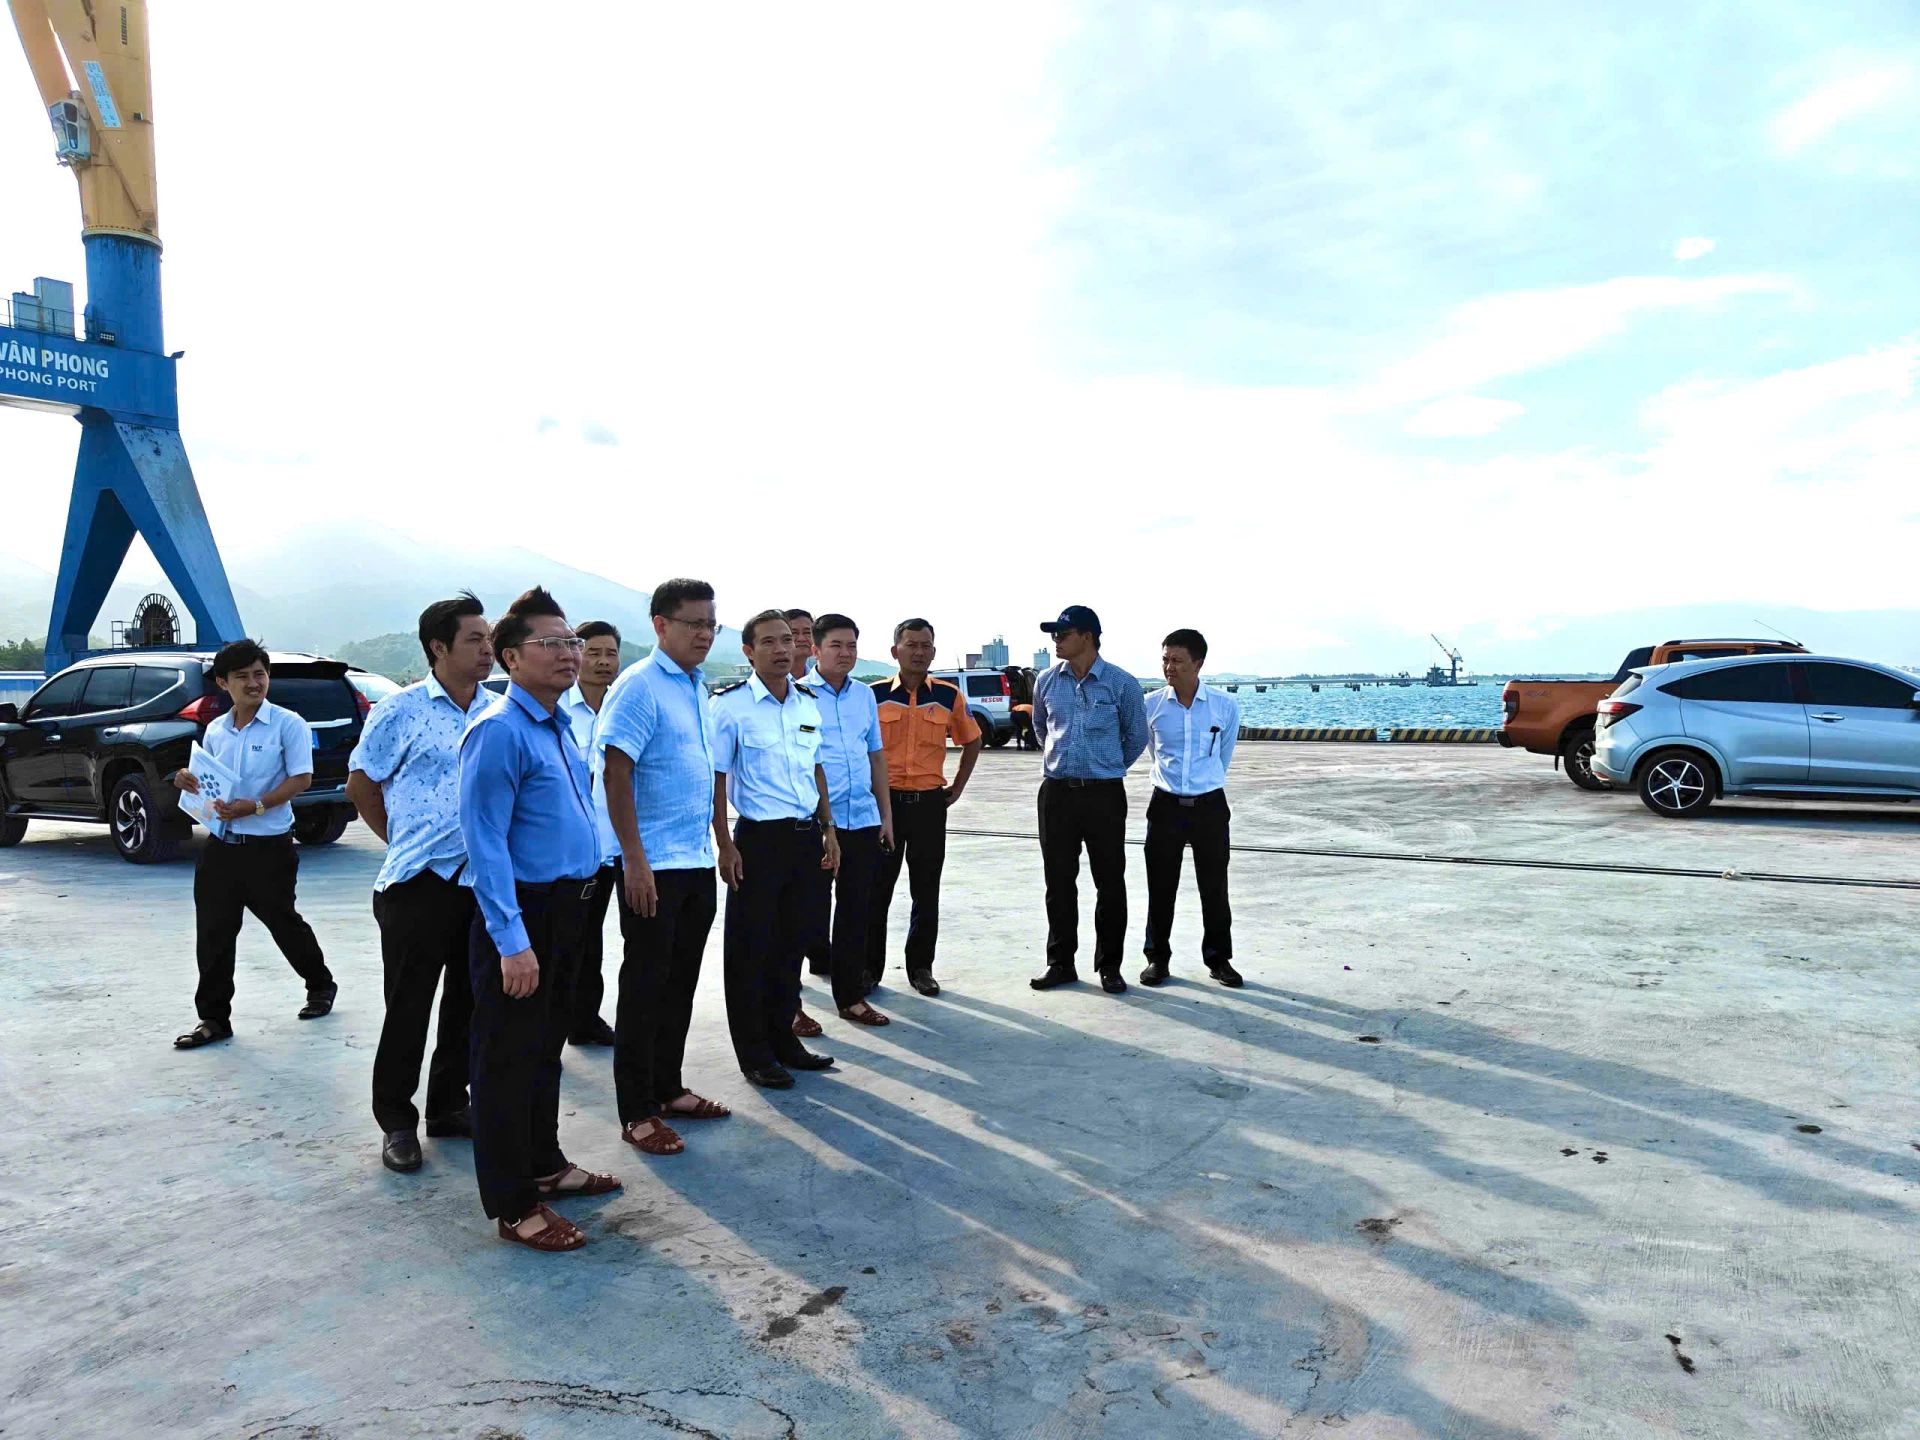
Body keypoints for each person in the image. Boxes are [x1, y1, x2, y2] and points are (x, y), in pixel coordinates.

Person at [460, 587, 621, 1252]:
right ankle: (514, 1203)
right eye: (550, 643)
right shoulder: (498, 730)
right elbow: (484, 843)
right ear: (510, 657)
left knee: (544, 1051)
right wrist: (511, 941)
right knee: (504, 1063)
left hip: (568, 910)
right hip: (524, 915)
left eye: (571, 641)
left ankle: (545, 1164)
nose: (569, 653)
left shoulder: (558, 724)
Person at [346, 593, 494, 1173]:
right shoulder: (400, 711)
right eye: (474, 639)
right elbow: (362, 785)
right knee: (408, 1007)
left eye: (489, 639)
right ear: (438, 647)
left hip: (481, 883)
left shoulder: (498, 710)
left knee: (468, 1003)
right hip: (416, 883)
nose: (487, 649)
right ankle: (396, 1121)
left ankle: (449, 1105)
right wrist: (402, 842)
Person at [595, 579, 733, 1159]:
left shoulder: (697, 687)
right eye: (693, 623)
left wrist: (721, 843)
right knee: (645, 987)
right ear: (660, 624)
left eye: (711, 625)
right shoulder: (639, 686)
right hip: (653, 865)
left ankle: (668, 1089)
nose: (704, 634)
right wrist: (633, 860)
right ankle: (637, 1110)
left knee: (679, 985)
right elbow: (616, 774)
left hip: (695, 860)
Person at [170, 639, 336, 1049]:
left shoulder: (288, 724)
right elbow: (209, 782)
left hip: (269, 847)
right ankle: (213, 1019)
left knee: (283, 923)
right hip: (221, 846)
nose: (253, 683)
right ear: (223, 683)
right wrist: (187, 780)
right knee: (213, 934)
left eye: (259, 674)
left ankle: (320, 984)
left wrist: (256, 805)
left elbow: (302, 779)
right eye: (241, 676)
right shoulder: (216, 730)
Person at [711, 609, 840, 1089]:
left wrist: (829, 828)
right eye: (768, 642)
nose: (782, 649)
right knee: (751, 951)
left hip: (805, 839)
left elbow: (816, 769)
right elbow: (716, 779)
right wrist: (725, 843)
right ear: (749, 651)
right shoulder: (730, 707)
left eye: (787, 639)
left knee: (791, 946)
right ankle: (755, 1054)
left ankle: (785, 1041)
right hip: (758, 842)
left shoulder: (807, 703)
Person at [1029, 605, 1148, 995]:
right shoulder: (1047, 680)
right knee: (1058, 882)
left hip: (1104, 795)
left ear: (1087, 637)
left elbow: (1136, 737)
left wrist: (1107, 766)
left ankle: (1109, 966)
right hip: (1057, 793)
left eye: (1062, 634)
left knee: (1109, 882)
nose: (1056, 641)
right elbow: (1041, 728)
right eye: (1054, 635)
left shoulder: (1121, 684)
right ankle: (1060, 963)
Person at [867, 618, 981, 997]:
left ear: (934, 652)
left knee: (926, 890)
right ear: (895, 651)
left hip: (929, 806)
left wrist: (957, 787)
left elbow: (972, 740)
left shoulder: (948, 696)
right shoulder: (873, 695)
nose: (919, 652)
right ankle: (869, 969)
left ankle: (921, 967)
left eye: (925, 645)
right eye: (911, 644)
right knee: (876, 891)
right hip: (884, 806)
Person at [801, 614, 893, 1027]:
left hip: (862, 819)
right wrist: (825, 825)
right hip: (818, 823)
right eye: (836, 645)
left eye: (851, 645)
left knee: (856, 911)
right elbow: (805, 762)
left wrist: (885, 816)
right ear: (816, 650)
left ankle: (850, 998)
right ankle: (789, 1004)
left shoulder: (864, 696)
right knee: (804, 914)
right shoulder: (799, 695)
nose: (845, 653)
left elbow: (875, 755)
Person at [1139, 628, 1243, 989]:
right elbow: (1152, 751)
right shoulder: (1151, 705)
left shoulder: (1223, 706)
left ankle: (1219, 959)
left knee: (1214, 887)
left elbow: (1223, 755)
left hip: (1209, 806)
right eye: (1165, 659)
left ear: (1198, 664)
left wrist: (1201, 783)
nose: (1169, 667)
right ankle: (1157, 959)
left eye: (1178, 660)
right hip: (1165, 805)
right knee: (1160, 886)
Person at [562, 620, 623, 1048]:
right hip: (570, 848)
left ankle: (585, 1019)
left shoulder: (625, 705)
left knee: (594, 938)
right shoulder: (558, 707)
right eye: (594, 652)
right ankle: (556, 1024)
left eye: (611, 653)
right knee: (568, 939)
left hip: (616, 845)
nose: (603, 662)